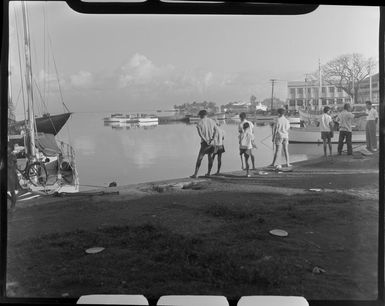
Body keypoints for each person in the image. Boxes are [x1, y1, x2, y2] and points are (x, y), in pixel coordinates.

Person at [190, 110, 217, 178]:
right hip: (212, 142)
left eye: (199, 115)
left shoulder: (199, 123)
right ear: (206, 114)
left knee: (200, 158)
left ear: (201, 115)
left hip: (205, 143)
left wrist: (206, 141)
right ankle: (208, 173)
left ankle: (195, 174)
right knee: (210, 158)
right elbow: (216, 130)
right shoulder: (212, 121)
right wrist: (212, 138)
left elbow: (200, 134)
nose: (199, 116)